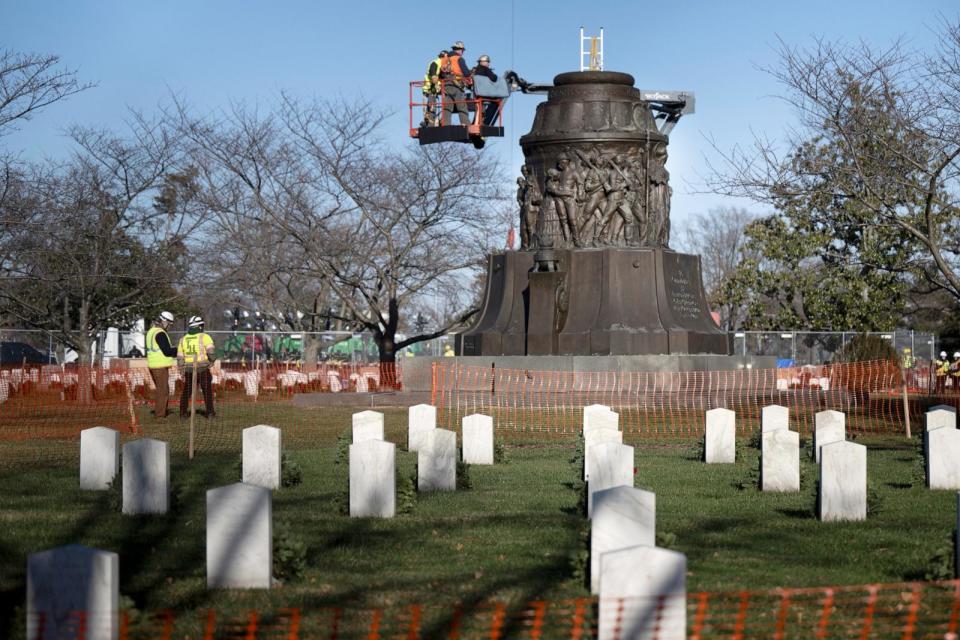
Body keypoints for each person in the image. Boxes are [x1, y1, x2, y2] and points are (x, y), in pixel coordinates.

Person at [178, 315, 216, 419]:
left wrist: (181, 369)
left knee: (187, 391)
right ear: (199, 326)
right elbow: (211, 352)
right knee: (207, 391)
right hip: (202, 368)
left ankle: (183, 413)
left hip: (189, 369)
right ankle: (210, 413)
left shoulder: (183, 339)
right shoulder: (204, 337)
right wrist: (212, 361)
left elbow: (180, 357)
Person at [145, 311, 177, 418]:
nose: (170, 326)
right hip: (160, 367)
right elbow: (167, 351)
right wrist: (180, 350)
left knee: (163, 390)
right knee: (162, 391)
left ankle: (161, 412)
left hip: (154, 365)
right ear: (164, 321)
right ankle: (160, 415)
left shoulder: (151, 331)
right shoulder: (160, 333)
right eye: (169, 323)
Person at [440, 41, 471, 126]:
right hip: (456, 84)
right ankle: (466, 124)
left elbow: (440, 73)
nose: (462, 52)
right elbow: (466, 73)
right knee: (461, 106)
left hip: (446, 84)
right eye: (462, 50)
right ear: (460, 50)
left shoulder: (444, 59)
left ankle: (446, 124)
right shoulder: (459, 59)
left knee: (447, 107)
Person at [471, 54, 501, 125]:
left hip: (477, 93)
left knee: (479, 110)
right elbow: (494, 78)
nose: (488, 64)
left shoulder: (476, 70)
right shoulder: (485, 69)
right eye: (487, 62)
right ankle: (484, 122)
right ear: (483, 62)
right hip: (484, 94)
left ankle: (478, 122)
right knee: (496, 102)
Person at [421, 50, 447, 127]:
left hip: (434, 89)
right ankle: (430, 124)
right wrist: (438, 87)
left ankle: (431, 122)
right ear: (443, 57)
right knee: (432, 107)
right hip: (430, 89)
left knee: (432, 107)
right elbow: (434, 77)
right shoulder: (435, 63)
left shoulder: (439, 64)